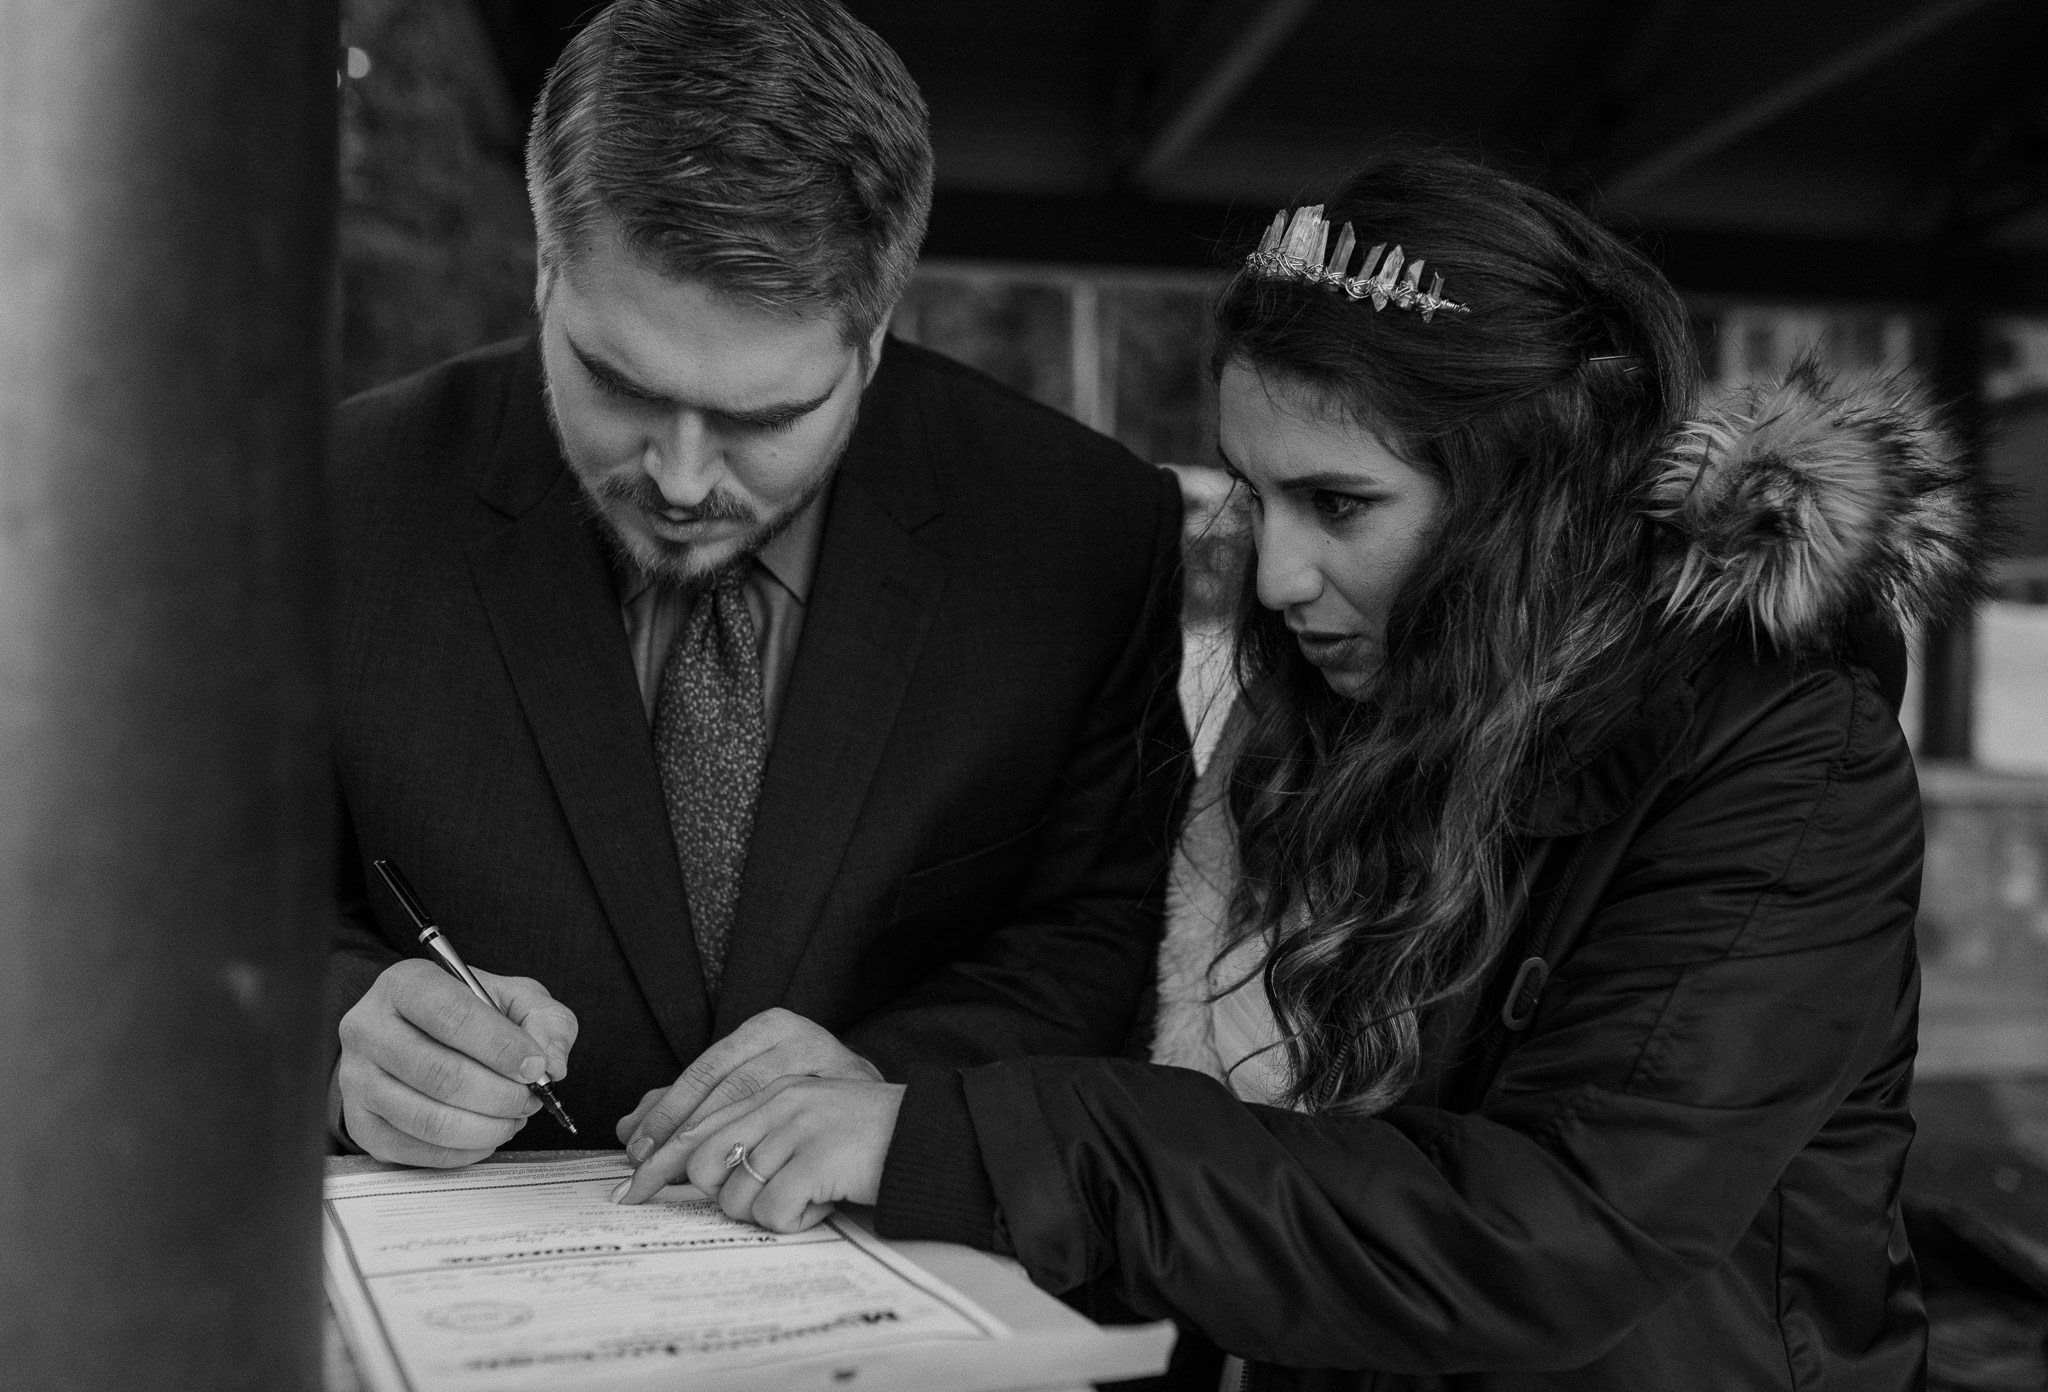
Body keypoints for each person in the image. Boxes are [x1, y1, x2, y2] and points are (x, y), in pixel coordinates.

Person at [613, 148, 1989, 1391]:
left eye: (1341, 505)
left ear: (1534, 490)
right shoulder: (1330, 715)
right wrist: (884, 1073)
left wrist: (960, 1143)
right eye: (1251, 497)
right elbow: (1162, 1051)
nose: (1272, 577)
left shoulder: (1790, 761)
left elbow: (1546, 1231)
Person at [324, 0, 1188, 1167]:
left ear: (874, 335)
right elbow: (202, 899)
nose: (679, 480)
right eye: (618, 383)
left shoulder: (1080, 534)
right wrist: (333, 1040)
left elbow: (1093, 928)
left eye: (762, 417)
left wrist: (893, 1082)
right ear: (544, 272)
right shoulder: (331, 504)